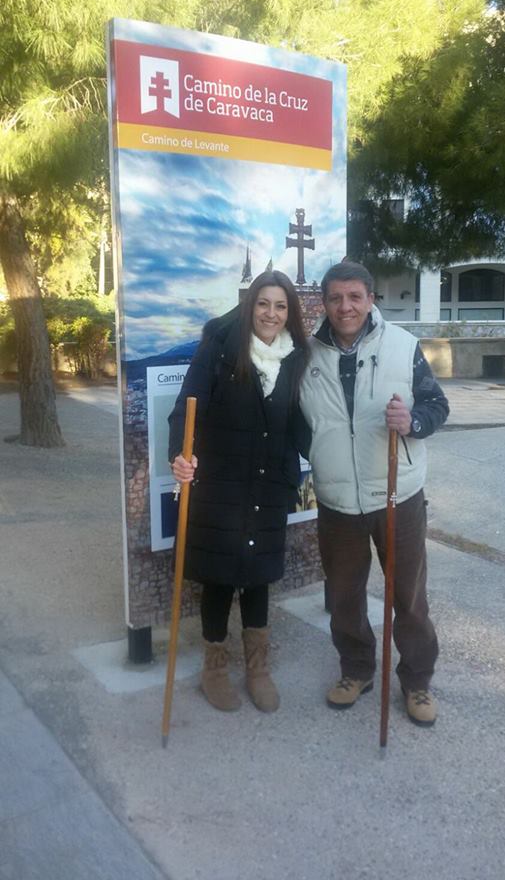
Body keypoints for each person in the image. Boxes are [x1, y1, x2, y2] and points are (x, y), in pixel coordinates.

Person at [299, 261, 449, 726]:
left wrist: (414, 422)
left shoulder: (403, 346)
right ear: (324, 302)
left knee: (408, 595)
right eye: (336, 298)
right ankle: (357, 670)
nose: (346, 307)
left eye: (355, 297)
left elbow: (436, 404)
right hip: (337, 500)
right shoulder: (305, 355)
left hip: (396, 495)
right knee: (344, 594)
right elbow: (295, 424)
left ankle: (417, 679)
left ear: (370, 300)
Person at [168, 271, 308, 713]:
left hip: (268, 485)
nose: (271, 313)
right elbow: (185, 410)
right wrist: (181, 455)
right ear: (250, 306)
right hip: (220, 486)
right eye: (264, 303)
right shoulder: (220, 349)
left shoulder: (296, 358)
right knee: (219, 578)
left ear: (290, 313)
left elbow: (302, 426)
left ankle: (257, 669)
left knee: (258, 577)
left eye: (280, 306)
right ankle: (214, 669)